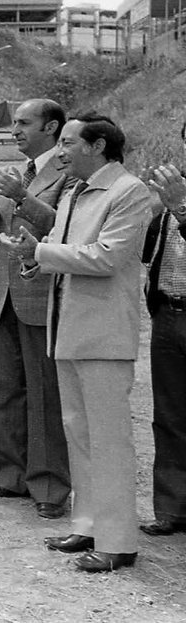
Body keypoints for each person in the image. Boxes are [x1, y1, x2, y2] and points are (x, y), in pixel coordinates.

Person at [10, 112, 150, 573]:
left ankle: (117, 541)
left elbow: (107, 257)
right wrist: (35, 255)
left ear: (97, 147)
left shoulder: (129, 192)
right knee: (80, 434)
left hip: (104, 335)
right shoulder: (75, 191)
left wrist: (42, 253)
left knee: (109, 441)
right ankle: (88, 524)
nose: (62, 151)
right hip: (70, 330)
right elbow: (59, 248)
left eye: (69, 142)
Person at [0, 99, 71, 519]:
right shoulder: (11, 171)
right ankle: (7, 475)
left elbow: (62, 227)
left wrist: (21, 195)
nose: (14, 130)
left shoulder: (68, 171)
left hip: (41, 295)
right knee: (5, 390)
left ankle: (49, 486)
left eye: (23, 123)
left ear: (50, 128)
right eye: (13, 123)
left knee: (45, 394)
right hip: (4, 297)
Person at [140, 119, 186, 537]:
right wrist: (148, 207)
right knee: (169, 416)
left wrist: (182, 208)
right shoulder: (176, 191)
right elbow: (144, 250)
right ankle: (172, 509)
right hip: (169, 314)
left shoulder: (181, 198)